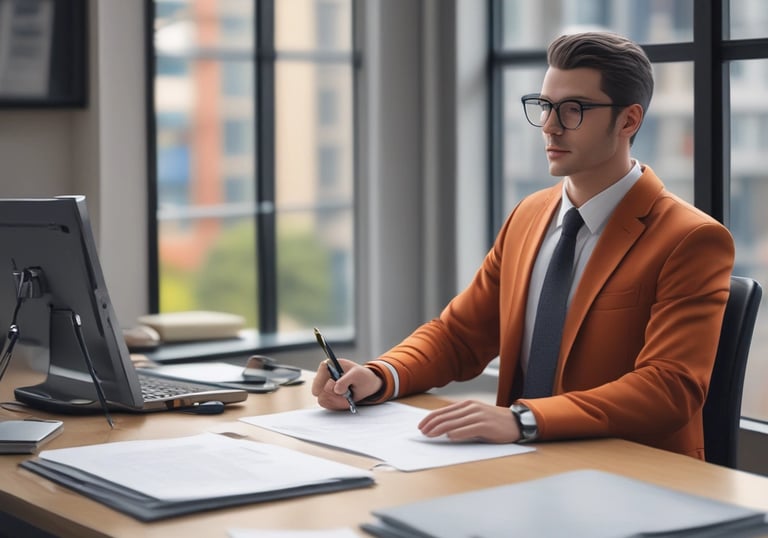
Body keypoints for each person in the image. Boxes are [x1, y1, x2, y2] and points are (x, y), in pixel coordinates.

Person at [311, 31, 735, 460]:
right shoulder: (529, 216)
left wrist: (524, 420)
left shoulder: (691, 239)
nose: (550, 125)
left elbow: (668, 387)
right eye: (546, 105)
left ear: (628, 120)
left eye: (574, 110)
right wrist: (380, 375)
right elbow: (460, 336)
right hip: (518, 465)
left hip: (632, 475)